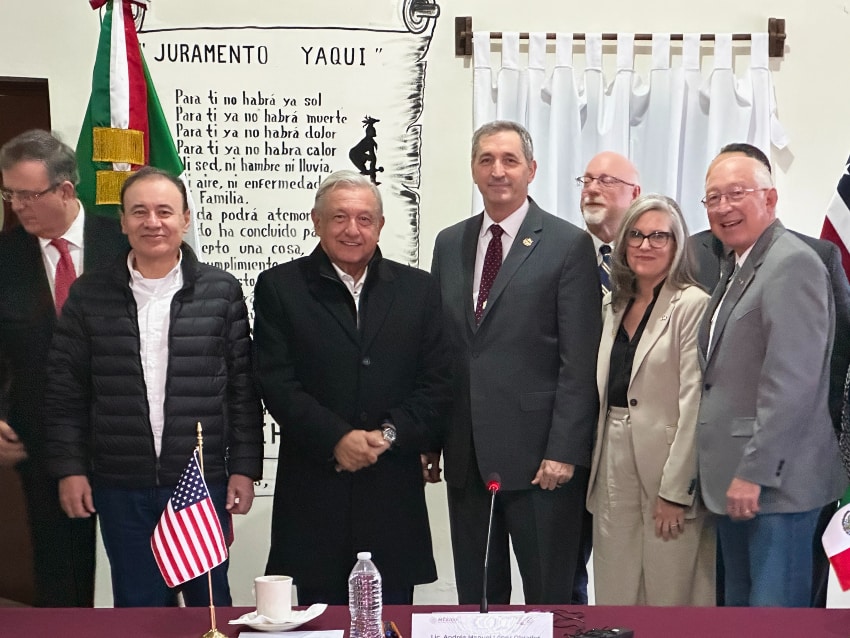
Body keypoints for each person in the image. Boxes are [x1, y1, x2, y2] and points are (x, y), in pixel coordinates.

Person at [42, 166, 262, 607]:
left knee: (210, 610)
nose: (152, 222)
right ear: (122, 222)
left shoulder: (221, 291)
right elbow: (65, 392)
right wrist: (70, 468)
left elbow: (242, 389)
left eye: (165, 211)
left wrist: (243, 467)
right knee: (139, 608)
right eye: (139, 212)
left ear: (185, 219)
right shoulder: (89, 294)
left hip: (199, 484)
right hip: (120, 484)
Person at [253, 170, 451, 605]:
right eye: (339, 217)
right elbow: (276, 383)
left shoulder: (419, 290)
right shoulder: (280, 288)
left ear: (380, 225)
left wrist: (388, 435)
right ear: (316, 222)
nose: (352, 229)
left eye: (365, 219)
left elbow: (436, 383)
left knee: (391, 619)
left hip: (392, 492)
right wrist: (337, 439)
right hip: (313, 492)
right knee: (315, 623)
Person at [431, 120, 601, 604]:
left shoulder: (568, 244)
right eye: (486, 160)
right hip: (467, 457)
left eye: (509, 160)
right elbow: (442, 350)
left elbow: (579, 358)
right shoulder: (449, 243)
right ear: (473, 169)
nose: (497, 170)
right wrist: (434, 440)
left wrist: (564, 450)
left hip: (541, 462)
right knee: (478, 601)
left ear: (532, 170)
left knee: (550, 598)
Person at [690, 142, 850, 606]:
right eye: (713, 197)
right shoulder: (736, 266)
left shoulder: (791, 263)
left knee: (773, 619)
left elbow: (792, 384)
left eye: (736, 193)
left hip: (775, 487)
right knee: (741, 616)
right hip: (737, 482)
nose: (723, 207)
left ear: (770, 198)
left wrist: (754, 474)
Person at [0, 129, 128, 606]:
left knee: (144, 570)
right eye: (9, 194)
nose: (17, 206)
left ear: (66, 191)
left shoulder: (125, 242)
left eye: (28, 194)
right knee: (61, 576)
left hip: (129, 438)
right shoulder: (5, 256)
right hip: (43, 439)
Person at [587, 194, 715, 605]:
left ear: (678, 245)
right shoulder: (613, 303)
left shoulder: (692, 304)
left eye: (659, 236)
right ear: (623, 243)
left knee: (670, 585)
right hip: (612, 451)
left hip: (667, 461)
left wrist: (676, 491)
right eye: (637, 235)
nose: (645, 245)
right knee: (615, 580)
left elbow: (695, 401)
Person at [572, 150, 641, 603]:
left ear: (635, 194)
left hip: (637, 441)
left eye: (607, 181)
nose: (593, 188)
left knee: (631, 569)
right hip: (572, 438)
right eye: (587, 179)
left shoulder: (662, 259)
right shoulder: (559, 253)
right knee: (567, 564)